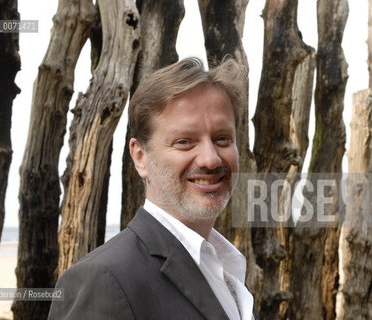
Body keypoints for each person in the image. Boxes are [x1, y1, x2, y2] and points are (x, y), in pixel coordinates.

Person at [48, 57, 255, 320]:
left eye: (222, 138)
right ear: (140, 157)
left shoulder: (227, 268)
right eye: (184, 142)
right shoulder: (103, 280)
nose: (211, 159)